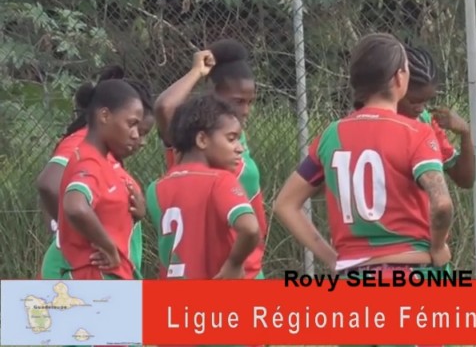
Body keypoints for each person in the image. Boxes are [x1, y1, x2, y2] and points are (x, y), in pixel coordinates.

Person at [273, 33, 454, 284]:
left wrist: (331, 257)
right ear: (399, 77)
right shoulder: (417, 133)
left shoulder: (331, 135)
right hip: (412, 269)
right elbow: (442, 204)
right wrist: (437, 246)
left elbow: (285, 204)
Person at [154, 39, 266, 279]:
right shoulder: (195, 141)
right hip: (213, 271)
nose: (245, 110)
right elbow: (165, 108)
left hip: (248, 270)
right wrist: (197, 71)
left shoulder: (234, 141)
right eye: (238, 101)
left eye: (250, 102)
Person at [37, 67, 155, 279]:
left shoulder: (107, 159)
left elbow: (105, 206)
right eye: (133, 124)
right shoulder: (86, 155)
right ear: (105, 116)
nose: (138, 137)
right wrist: (94, 241)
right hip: (94, 278)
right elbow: (72, 204)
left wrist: (137, 213)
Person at [398, 46, 475, 189]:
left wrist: (465, 133)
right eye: (414, 101)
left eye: (426, 101)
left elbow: (465, 180)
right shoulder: (377, 122)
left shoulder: (425, 121)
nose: (420, 108)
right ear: (396, 86)